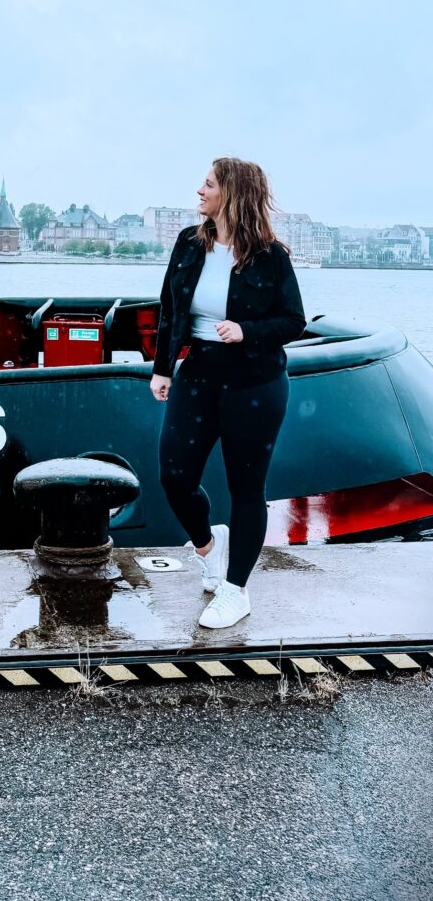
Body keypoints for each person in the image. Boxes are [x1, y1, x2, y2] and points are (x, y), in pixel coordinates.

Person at [150, 157, 307, 629]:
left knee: (246, 489)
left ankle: (236, 591)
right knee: (174, 475)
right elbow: (167, 309)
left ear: (232, 194)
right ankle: (208, 546)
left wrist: (247, 331)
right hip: (198, 372)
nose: (199, 191)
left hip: (254, 382)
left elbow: (293, 320)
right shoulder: (188, 243)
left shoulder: (270, 256)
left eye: (209, 184)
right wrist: (162, 369)